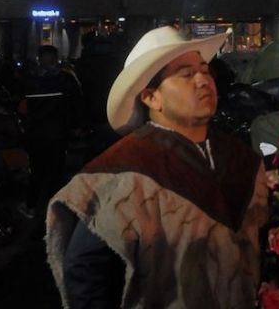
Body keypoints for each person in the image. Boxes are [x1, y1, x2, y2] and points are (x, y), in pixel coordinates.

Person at [46, 26, 267, 308]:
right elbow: (85, 270)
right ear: (151, 97)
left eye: (204, 70)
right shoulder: (124, 169)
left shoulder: (238, 155)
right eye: (186, 74)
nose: (202, 80)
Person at [22, 45, 83, 218]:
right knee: (56, 171)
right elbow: (77, 103)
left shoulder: (29, 80)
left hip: (36, 133)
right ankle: (56, 206)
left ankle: (32, 205)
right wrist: (77, 125)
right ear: (56, 59)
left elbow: (21, 105)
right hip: (58, 132)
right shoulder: (65, 79)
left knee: (37, 170)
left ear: (39, 59)